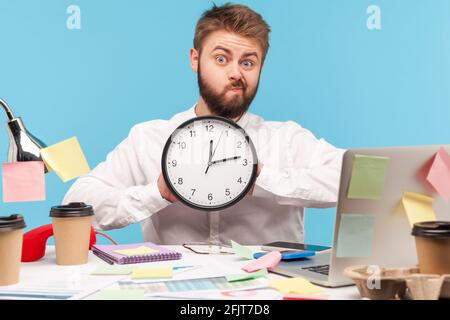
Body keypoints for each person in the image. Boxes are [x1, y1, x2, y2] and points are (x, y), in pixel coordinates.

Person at [63, 3, 345, 245]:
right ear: (195, 59)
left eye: (248, 63)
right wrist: (158, 192)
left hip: (267, 290)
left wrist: (262, 177)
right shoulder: (149, 138)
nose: (236, 73)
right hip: (174, 291)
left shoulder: (286, 139)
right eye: (221, 59)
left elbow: (360, 180)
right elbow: (77, 203)